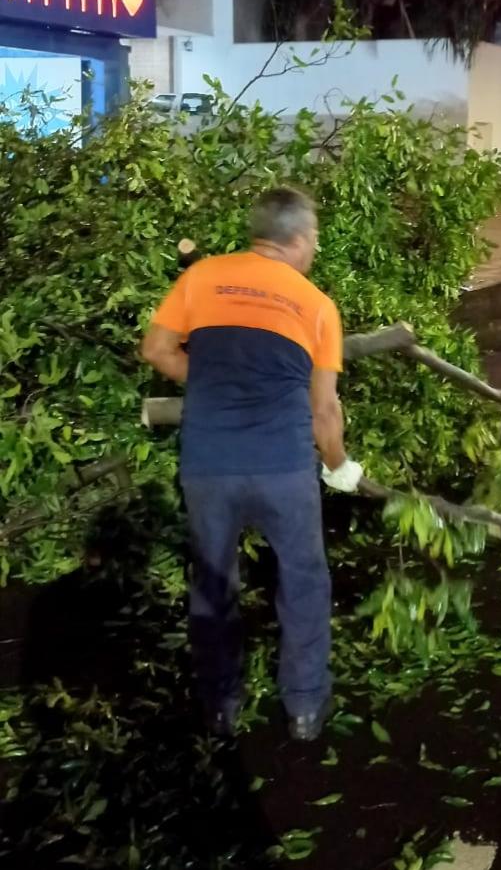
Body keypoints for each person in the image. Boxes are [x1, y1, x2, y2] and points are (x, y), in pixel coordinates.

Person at [141, 187, 363, 741]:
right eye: (313, 237)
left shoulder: (201, 277)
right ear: (297, 238)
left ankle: (221, 704)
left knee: (214, 581)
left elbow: (157, 351)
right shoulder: (316, 305)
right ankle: (306, 709)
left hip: (209, 463)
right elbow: (324, 408)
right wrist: (339, 465)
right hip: (283, 467)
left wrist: (215, 382)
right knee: (304, 581)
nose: (314, 247)